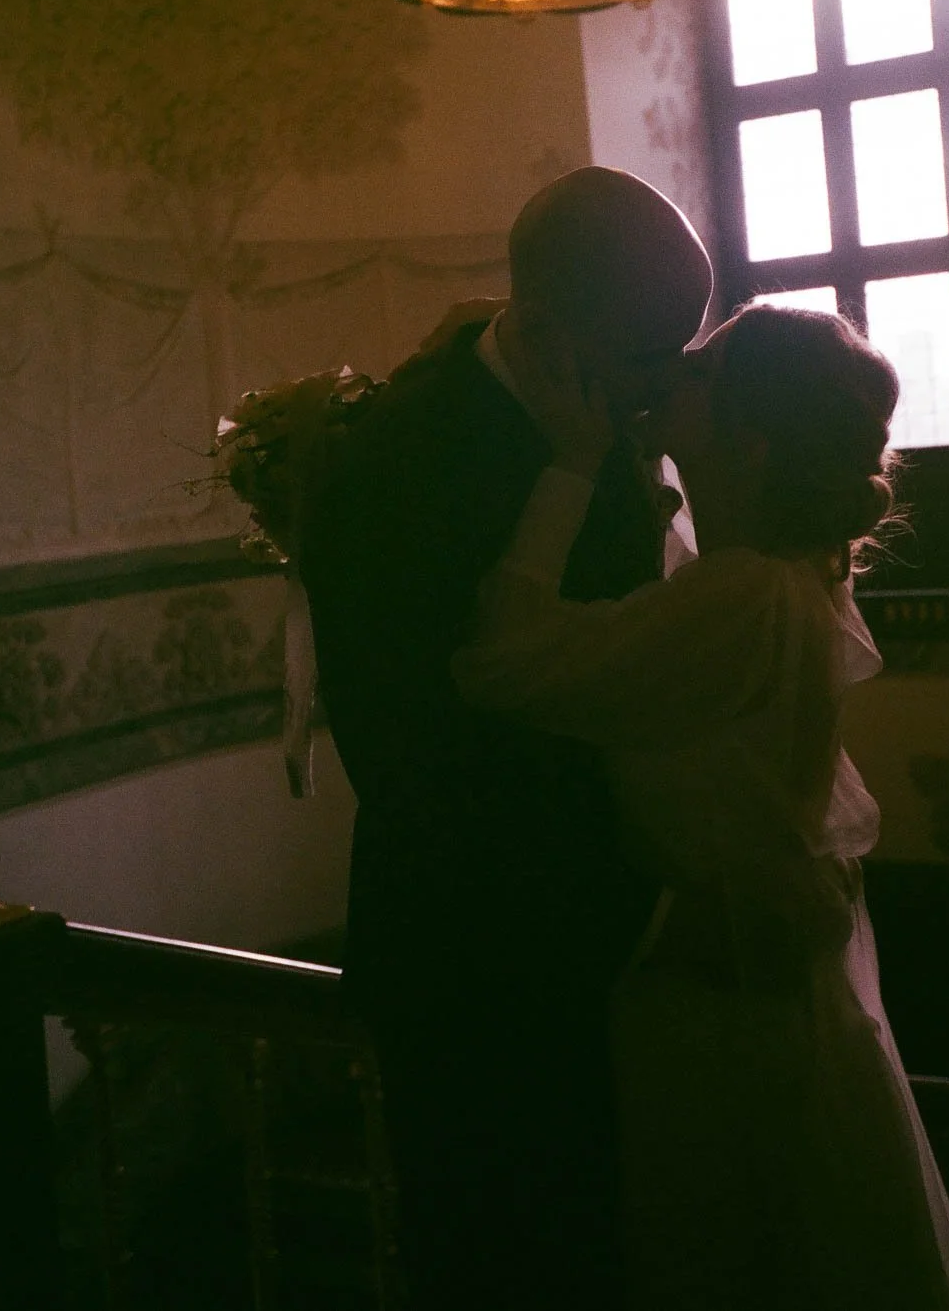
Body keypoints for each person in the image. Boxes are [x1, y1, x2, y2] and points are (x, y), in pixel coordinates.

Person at [453, 303, 949, 1311]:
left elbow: (503, 663)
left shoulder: (740, 596)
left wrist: (569, 461)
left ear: (750, 437)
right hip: (749, 987)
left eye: (699, 368)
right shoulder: (775, 578)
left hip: (714, 1012)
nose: (670, 369)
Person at [297, 166, 713, 1311]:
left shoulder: (593, 427)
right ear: (537, 326)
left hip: (612, 944)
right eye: (646, 357)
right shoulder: (395, 462)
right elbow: (409, 744)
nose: (660, 388)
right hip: (475, 952)